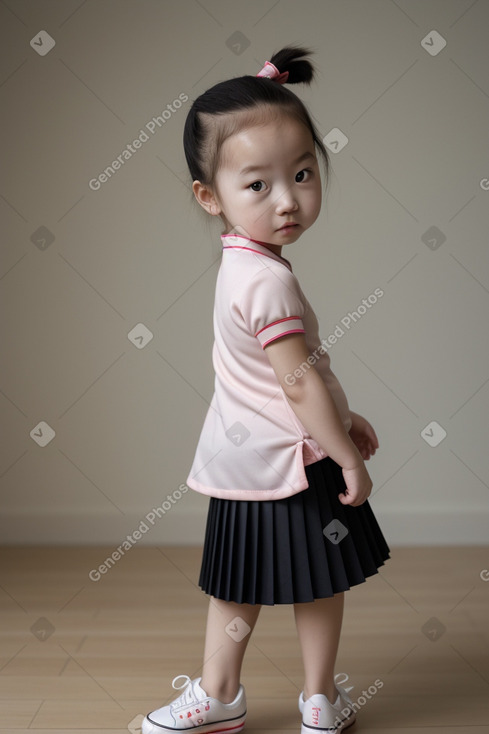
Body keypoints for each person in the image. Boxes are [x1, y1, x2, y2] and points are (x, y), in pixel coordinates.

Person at [142, 46, 390, 734]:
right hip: (297, 462)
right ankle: (316, 698)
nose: (287, 200)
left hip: (249, 460)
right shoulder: (268, 279)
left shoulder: (243, 263)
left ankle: (227, 693)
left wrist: (343, 415)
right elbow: (296, 379)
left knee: (237, 587)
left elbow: (285, 375)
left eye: (303, 174)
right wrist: (343, 451)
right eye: (258, 185)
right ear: (209, 195)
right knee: (319, 581)